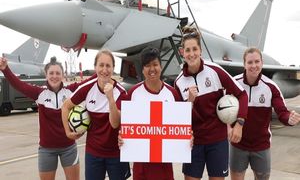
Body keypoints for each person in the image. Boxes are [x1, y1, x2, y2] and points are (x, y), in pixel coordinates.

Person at [0, 56, 96, 180]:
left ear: (63, 75)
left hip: (69, 148)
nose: (54, 76)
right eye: (51, 73)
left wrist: (101, 71)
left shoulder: (71, 91)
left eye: (58, 73)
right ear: (46, 75)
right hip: (46, 150)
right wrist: (5, 69)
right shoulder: (39, 93)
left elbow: (87, 84)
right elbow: (18, 85)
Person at [174, 27, 249, 180]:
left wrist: (239, 124)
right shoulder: (179, 82)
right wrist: (190, 102)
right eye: (187, 50)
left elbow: (242, 94)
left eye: (195, 49)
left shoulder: (214, 71)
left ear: (200, 50)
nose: (191, 53)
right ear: (182, 53)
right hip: (194, 143)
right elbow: (179, 118)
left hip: (217, 141)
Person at [230, 47, 300, 180]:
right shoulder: (234, 84)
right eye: (250, 62)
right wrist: (229, 128)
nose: (254, 66)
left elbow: (282, 112)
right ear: (244, 64)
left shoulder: (271, 87)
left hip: (261, 145)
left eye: (257, 62)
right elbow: (222, 110)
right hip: (238, 144)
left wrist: (289, 119)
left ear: (262, 63)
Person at [61, 50, 130, 180]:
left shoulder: (121, 93)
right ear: (95, 67)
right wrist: (68, 132)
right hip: (94, 152)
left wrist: (110, 99)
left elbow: (115, 123)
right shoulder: (87, 88)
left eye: (108, 66)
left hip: (116, 153)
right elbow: (65, 106)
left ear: (113, 68)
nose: (104, 70)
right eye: (101, 65)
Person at [119, 47, 184, 180]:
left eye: (155, 64)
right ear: (142, 69)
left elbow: (180, 126)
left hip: (164, 164)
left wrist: (187, 137)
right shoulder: (133, 93)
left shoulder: (173, 94)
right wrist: (121, 137)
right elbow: (125, 126)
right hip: (141, 164)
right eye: (147, 65)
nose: (152, 69)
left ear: (161, 66)